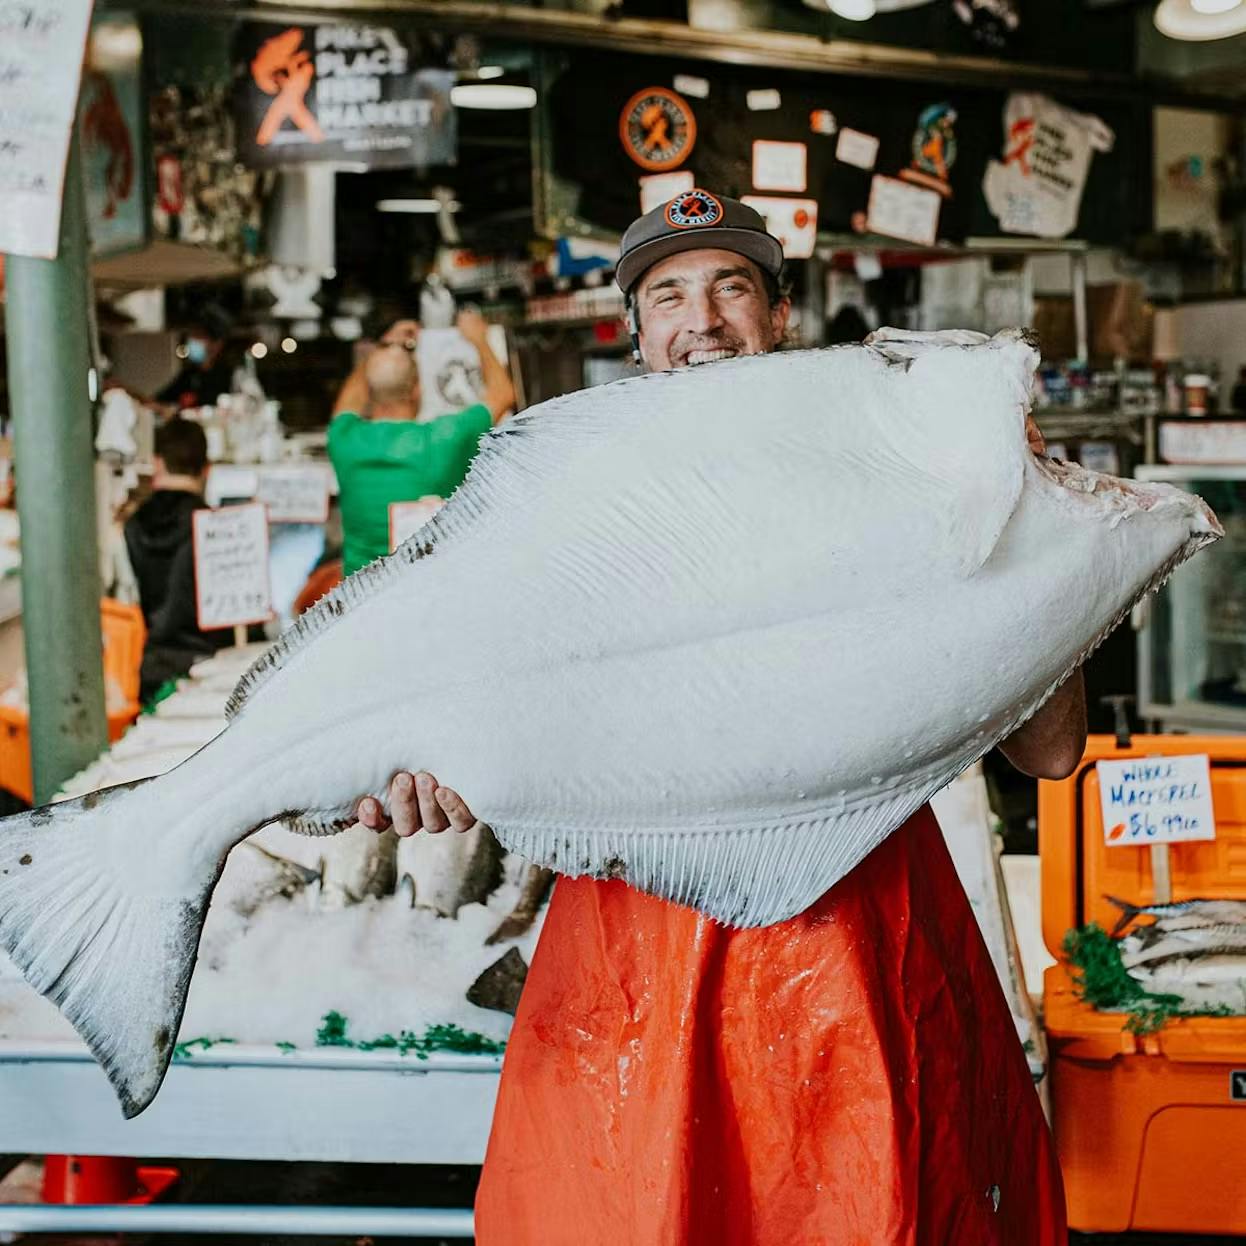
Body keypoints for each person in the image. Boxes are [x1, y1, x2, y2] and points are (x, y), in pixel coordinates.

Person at [358, 192, 1084, 1244]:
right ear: (638, 334)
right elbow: (470, 707)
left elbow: (1051, 750)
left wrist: (1034, 513)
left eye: (730, 286)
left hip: (859, 936)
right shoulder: (569, 504)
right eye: (668, 295)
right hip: (636, 947)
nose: (701, 318)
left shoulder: (900, 470)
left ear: (780, 313)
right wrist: (416, 773)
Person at [327, 310, 514, 576]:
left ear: (369, 391)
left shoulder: (344, 440)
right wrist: (479, 339)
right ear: (417, 389)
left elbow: (349, 400)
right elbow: (503, 394)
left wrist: (385, 346)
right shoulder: (443, 438)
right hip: (425, 590)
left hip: (358, 598)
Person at [125, 417, 229, 700]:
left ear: (157, 463)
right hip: (210, 669)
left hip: (151, 669)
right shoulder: (218, 527)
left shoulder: (130, 526)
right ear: (207, 469)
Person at [155, 303, 235, 412]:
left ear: (216, 344)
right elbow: (161, 399)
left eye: (199, 335)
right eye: (191, 335)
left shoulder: (232, 376)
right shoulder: (189, 374)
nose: (192, 340)